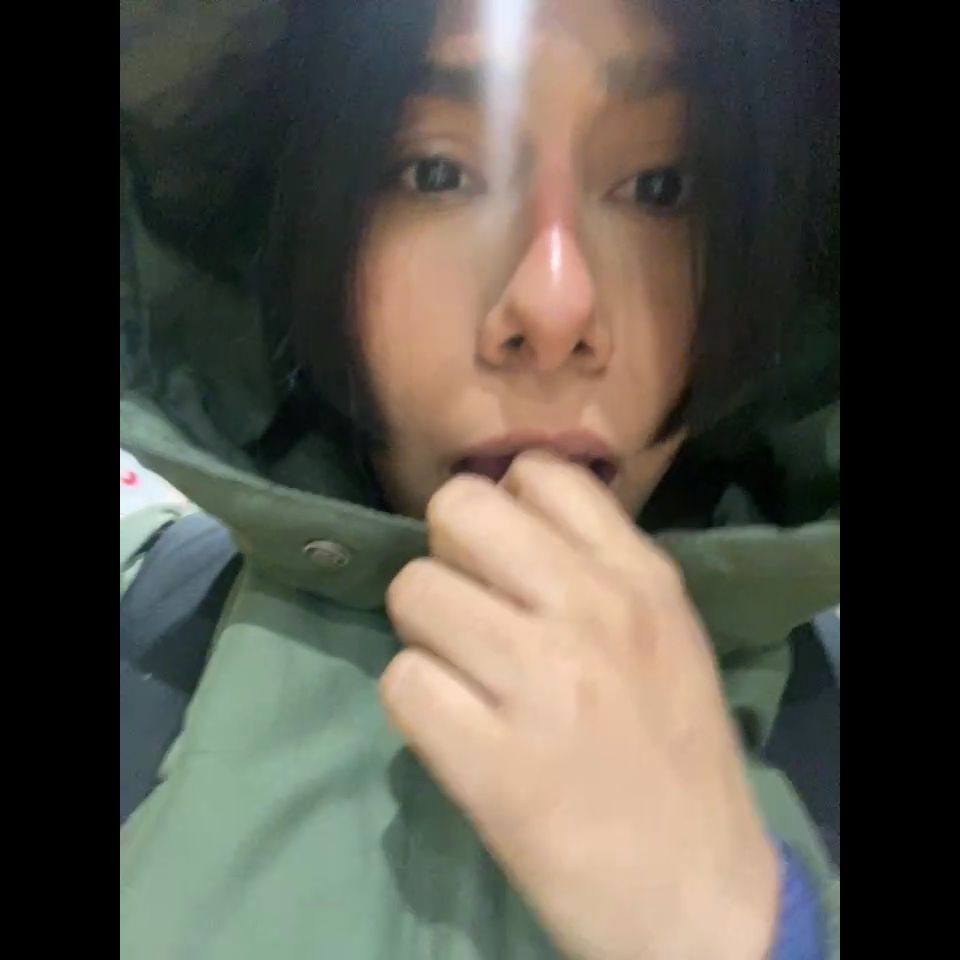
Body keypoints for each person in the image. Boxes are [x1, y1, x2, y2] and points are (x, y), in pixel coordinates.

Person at [119, 0, 840, 957]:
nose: (553, 308)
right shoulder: (145, 639)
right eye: (437, 173)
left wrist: (748, 928)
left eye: (662, 185)